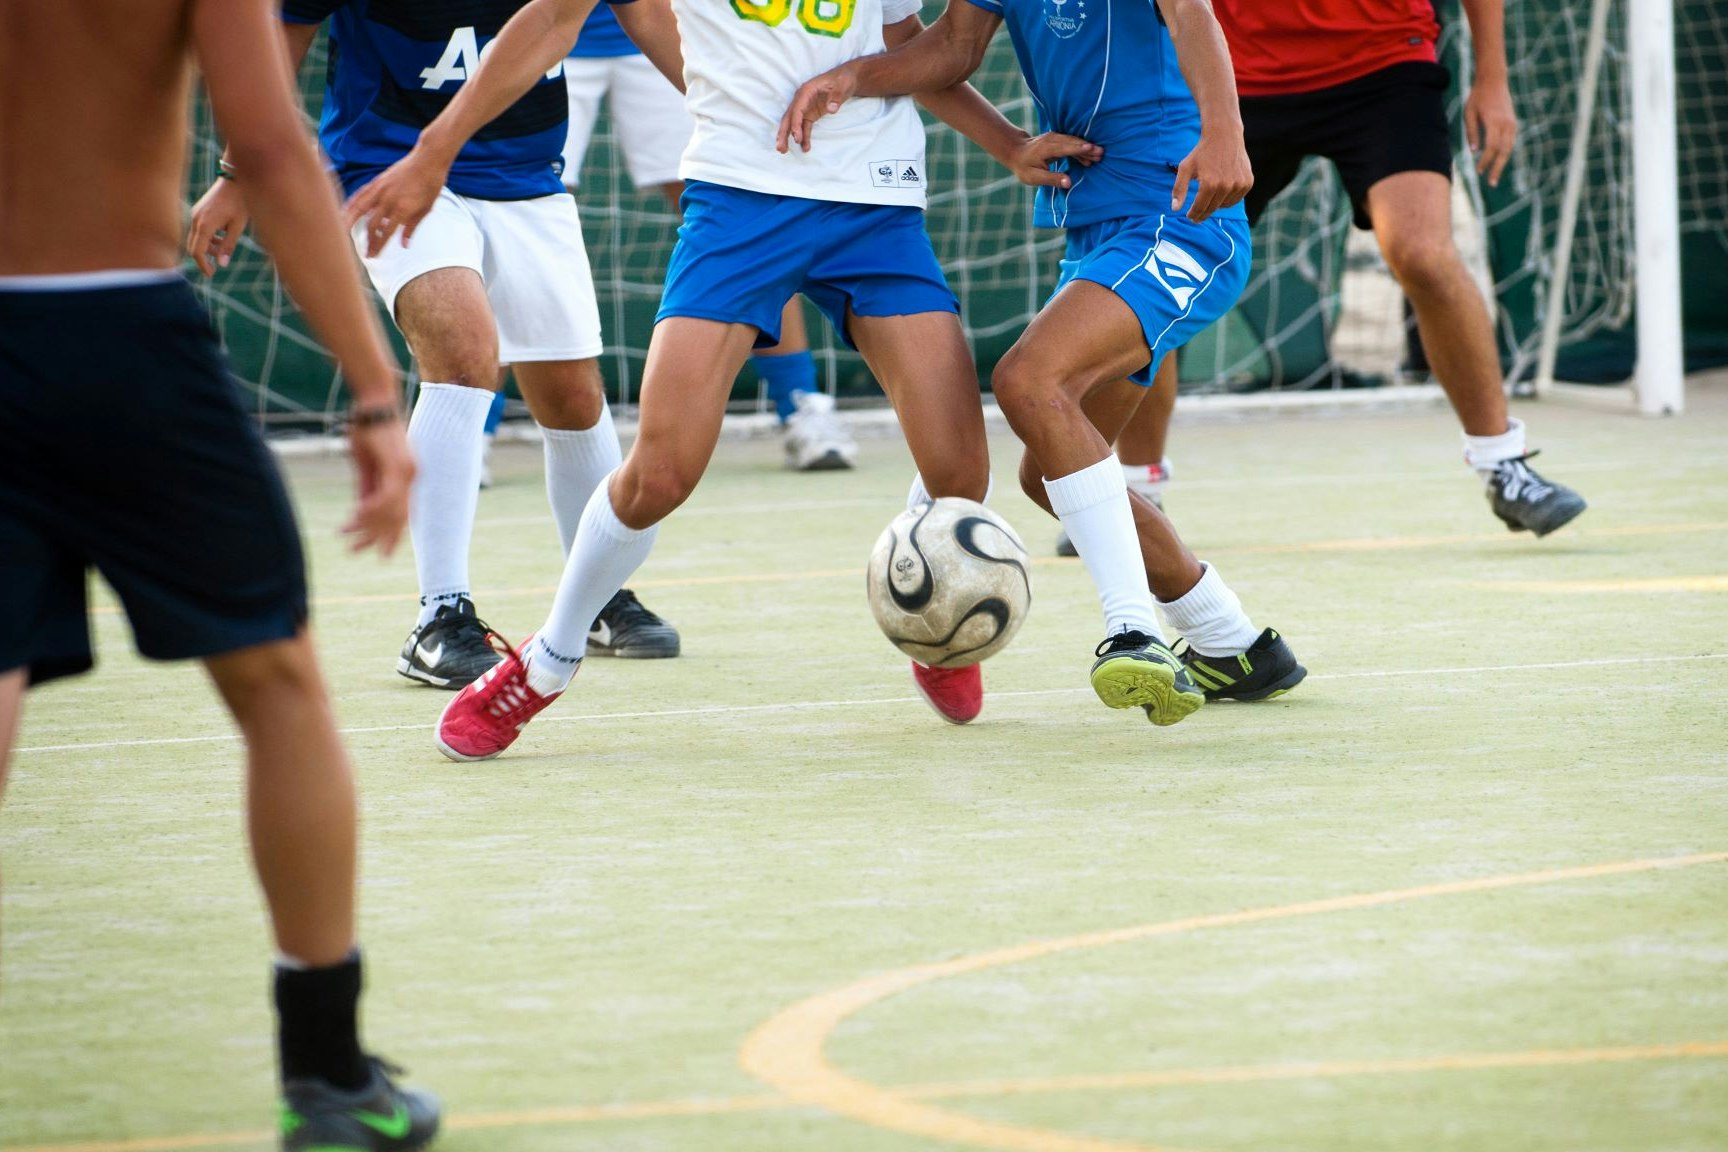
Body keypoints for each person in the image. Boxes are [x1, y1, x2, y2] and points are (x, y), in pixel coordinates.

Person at [348, 0, 1101, 753]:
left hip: (878, 206)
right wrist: (435, 151)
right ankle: (548, 662)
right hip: (740, 204)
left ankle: (934, 629)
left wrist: (1008, 144)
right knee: (659, 475)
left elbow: (910, 48)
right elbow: (550, 21)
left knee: (959, 471)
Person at [0, 1, 437, 1148]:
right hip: (119, 335)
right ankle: (332, 1074)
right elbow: (266, 142)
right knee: (277, 683)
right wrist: (373, 388)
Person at [780, 0, 1308, 724]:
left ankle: (1132, 630)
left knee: (1029, 380)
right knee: (1048, 473)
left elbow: (1193, 16)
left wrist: (1225, 135)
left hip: (1177, 208)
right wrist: (855, 77)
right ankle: (1233, 642)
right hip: (1097, 221)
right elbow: (952, 48)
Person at [188, 0, 683, 692]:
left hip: (526, 176)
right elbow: (283, 38)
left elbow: (646, 14)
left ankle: (596, 598)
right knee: (463, 356)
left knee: (572, 397)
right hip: (391, 169)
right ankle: (439, 616)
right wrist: (238, 174)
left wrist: (736, 112)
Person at [1111, 0, 1588, 538]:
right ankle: (1136, 491)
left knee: (1423, 255)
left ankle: (1505, 465)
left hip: (1384, 66)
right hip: (1234, 76)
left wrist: (1493, 78)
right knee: (1166, 268)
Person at [559, 5, 858, 471]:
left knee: (752, 213)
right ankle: (481, 428)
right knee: (527, 212)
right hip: (548, 30)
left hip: (672, 25)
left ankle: (799, 406)